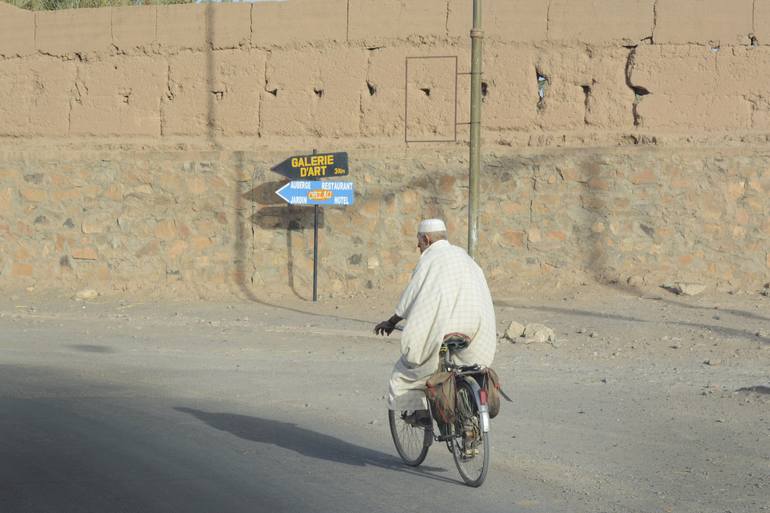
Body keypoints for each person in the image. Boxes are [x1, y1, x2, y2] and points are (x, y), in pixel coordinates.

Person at [374, 218, 497, 424]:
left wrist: (392, 321)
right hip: (475, 327)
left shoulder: (430, 259)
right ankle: (466, 421)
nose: (418, 246)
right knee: (462, 369)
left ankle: (418, 412)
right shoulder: (465, 257)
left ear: (427, 239)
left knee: (410, 369)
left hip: (446, 327)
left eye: (419, 241)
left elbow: (412, 295)